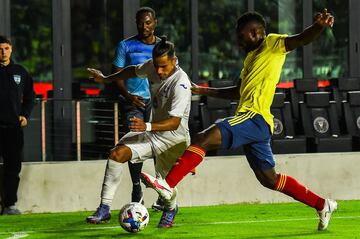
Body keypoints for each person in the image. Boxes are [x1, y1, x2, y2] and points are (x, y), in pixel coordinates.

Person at [141, 9, 337, 231]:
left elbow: (300, 39)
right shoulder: (251, 59)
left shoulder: (272, 43)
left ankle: (167, 185)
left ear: (255, 32)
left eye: (241, 36)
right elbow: (237, 92)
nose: (238, 41)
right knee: (269, 179)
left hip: (254, 118)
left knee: (204, 137)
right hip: (255, 122)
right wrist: (203, 90)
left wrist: (319, 26)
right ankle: (322, 204)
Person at [86, 36, 192, 228]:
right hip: (153, 131)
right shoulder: (153, 66)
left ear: (174, 61)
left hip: (174, 139)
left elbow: (175, 123)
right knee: (117, 153)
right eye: (156, 66)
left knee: (164, 185)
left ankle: (171, 208)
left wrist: (147, 126)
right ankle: (105, 208)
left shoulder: (181, 83)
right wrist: (105, 79)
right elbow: (131, 71)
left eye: (164, 67)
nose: (158, 71)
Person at [111, 6, 160, 205]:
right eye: (140, 22)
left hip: (157, 103)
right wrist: (128, 96)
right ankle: (137, 189)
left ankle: (162, 189)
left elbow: (172, 74)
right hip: (134, 102)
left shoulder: (164, 46)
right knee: (134, 143)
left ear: (155, 23)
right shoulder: (125, 46)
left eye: (148, 22)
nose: (144, 26)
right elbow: (116, 75)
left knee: (160, 145)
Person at [0, 35, 35, 215]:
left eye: (6, 48)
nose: (3, 52)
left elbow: (30, 97)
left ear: (11, 49)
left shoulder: (20, 71)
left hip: (13, 129)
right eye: (0, 49)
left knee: (13, 168)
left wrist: (25, 115)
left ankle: (10, 205)